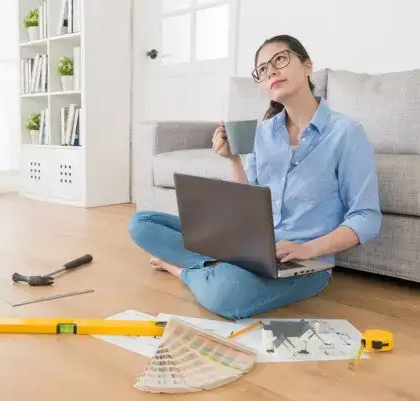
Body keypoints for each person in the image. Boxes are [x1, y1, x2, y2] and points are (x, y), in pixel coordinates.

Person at [128, 34, 382, 320]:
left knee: (226, 295)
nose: (270, 71)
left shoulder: (346, 133)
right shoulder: (263, 133)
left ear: (308, 66)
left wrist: (306, 248)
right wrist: (233, 159)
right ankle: (223, 263)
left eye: (280, 60)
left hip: (303, 260)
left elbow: (366, 217)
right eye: (262, 69)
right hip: (250, 247)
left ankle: (182, 270)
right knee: (142, 223)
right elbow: (248, 204)